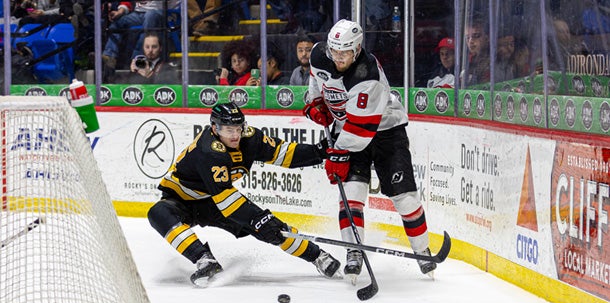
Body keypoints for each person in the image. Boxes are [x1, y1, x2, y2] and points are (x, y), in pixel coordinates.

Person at [147, 102, 341, 286]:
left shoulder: (250, 138)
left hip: (216, 201)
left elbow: (284, 153)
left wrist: (319, 150)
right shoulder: (209, 151)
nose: (235, 135)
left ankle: (319, 256)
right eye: (228, 130)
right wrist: (259, 218)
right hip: (182, 201)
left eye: (238, 128)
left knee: (272, 230)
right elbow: (227, 200)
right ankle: (204, 259)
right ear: (214, 128)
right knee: (159, 213)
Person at [303, 19, 437, 283]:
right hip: (349, 131)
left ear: (357, 49)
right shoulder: (320, 54)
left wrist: (337, 155)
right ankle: (354, 252)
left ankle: (422, 251)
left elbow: (360, 131)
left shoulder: (367, 76)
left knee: (405, 197)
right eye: (334, 52)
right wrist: (315, 103)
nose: (337, 58)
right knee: (351, 196)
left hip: (385, 131)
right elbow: (316, 81)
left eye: (344, 53)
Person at [461, 17, 490, 87]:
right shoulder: (466, 61)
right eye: (467, 37)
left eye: (476, 36)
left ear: (487, 38)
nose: (470, 41)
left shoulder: (493, 61)